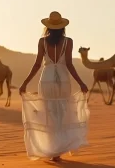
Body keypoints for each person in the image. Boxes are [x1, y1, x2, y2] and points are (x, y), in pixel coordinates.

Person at [19, 11, 90, 162]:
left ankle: (53, 150)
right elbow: (69, 64)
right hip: (63, 79)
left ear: (48, 27)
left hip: (47, 79)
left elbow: (37, 64)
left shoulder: (42, 41)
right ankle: (58, 149)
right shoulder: (68, 41)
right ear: (62, 27)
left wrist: (25, 82)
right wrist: (81, 82)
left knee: (49, 113)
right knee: (62, 114)